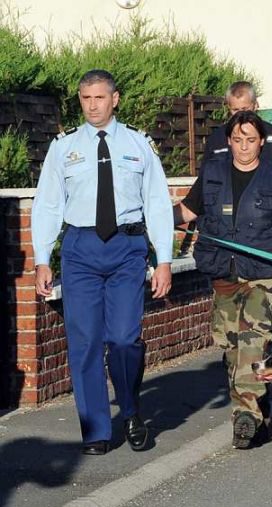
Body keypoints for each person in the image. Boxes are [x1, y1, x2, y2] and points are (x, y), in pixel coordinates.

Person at [32, 69, 174, 455]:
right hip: (80, 249)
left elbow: (158, 203)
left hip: (127, 248)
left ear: (115, 99)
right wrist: (43, 259)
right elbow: (47, 204)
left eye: (99, 98)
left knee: (124, 339)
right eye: (85, 98)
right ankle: (96, 430)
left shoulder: (138, 144)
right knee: (85, 342)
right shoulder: (64, 148)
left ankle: (129, 409)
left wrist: (164, 260)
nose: (92, 105)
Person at [174, 110, 272, 449]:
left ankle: (245, 417)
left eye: (250, 140)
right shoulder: (212, 173)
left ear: (261, 142)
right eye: (237, 140)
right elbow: (188, 211)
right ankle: (261, 410)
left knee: (252, 341)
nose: (244, 147)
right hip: (224, 273)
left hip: (264, 275)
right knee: (232, 350)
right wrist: (156, 216)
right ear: (229, 141)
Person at [204, 81, 272, 176]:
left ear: (255, 105)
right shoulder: (217, 137)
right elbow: (205, 177)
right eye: (235, 110)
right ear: (229, 107)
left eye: (245, 109)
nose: (241, 114)